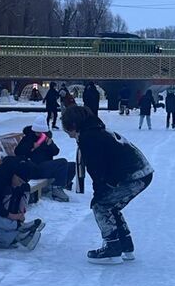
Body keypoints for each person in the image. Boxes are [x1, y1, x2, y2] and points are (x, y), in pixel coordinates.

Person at [61, 105, 154, 264]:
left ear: (73, 125)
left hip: (132, 175)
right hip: (141, 172)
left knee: (101, 206)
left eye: (67, 130)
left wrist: (100, 194)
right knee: (111, 205)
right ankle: (125, 245)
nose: (68, 135)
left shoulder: (89, 138)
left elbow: (97, 170)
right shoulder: (97, 130)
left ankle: (112, 249)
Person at [16, 116, 74, 202]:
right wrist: (31, 146)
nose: (38, 134)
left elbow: (56, 152)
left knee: (72, 165)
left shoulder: (46, 138)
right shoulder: (28, 137)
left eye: (41, 132)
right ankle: (56, 188)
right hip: (34, 168)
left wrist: (50, 145)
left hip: (46, 165)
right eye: (37, 132)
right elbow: (18, 151)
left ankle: (62, 185)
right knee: (63, 162)